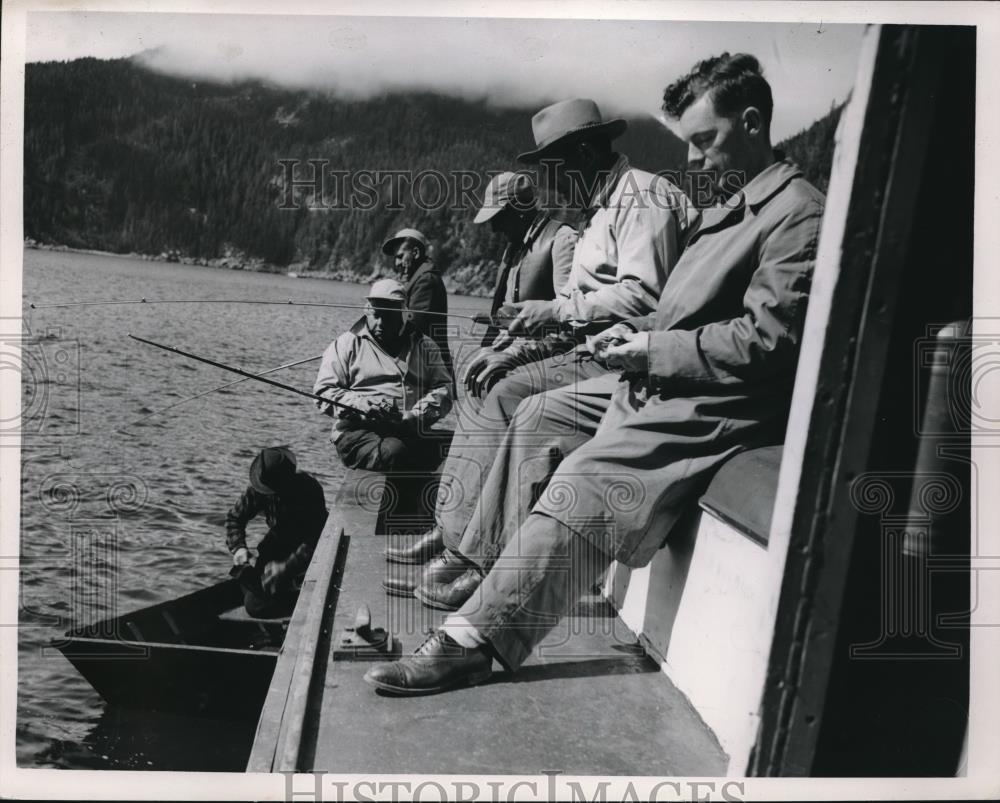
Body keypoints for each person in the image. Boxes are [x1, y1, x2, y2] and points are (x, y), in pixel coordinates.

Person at [365, 52, 826, 694]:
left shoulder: (797, 212)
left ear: (752, 123)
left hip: (715, 403)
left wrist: (646, 352)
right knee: (537, 414)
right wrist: (634, 349)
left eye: (705, 141)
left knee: (585, 471)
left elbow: (767, 341)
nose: (692, 161)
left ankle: (472, 641)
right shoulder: (735, 208)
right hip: (661, 380)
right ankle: (474, 559)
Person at [381, 98, 695, 584]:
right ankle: (451, 532)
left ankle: (476, 558)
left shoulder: (643, 198)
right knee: (488, 382)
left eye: (556, 169)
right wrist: (516, 345)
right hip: (589, 353)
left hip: (628, 360)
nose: (551, 185)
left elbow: (643, 295)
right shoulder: (596, 212)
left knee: (510, 396)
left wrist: (551, 311)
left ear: (587, 154)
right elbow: (570, 316)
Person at [313, 278, 453, 472]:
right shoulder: (346, 344)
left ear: (403, 315)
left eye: (388, 318)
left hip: (408, 430)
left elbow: (444, 390)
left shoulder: (425, 345)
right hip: (357, 433)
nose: (380, 323)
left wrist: (415, 417)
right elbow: (323, 391)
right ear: (367, 310)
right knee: (395, 452)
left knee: (461, 446)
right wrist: (361, 405)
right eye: (376, 315)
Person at [463, 170, 577, 398]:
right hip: (509, 367)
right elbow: (509, 315)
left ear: (520, 211)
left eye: (499, 217)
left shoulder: (563, 240)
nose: (494, 228)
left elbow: (571, 325)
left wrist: (516, 352)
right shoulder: (513, 247)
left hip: (544, 373)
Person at [226, 446, 328, 617]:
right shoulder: (259, 489)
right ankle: (287, 592)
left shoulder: (309, 489)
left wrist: (286, 567)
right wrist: (239, 548)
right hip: (278, 541)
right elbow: (235, 518)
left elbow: (316, 537)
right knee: (253, 596)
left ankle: (300, 596)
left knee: (257, 606)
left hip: (309, 547)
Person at [381, 228, 453, 377]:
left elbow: (414, 325)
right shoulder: (419, 279)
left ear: (416, 253)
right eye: (395, 258)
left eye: (400, 256)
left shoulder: (427, 281)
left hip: (430, 371)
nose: (397, 263)